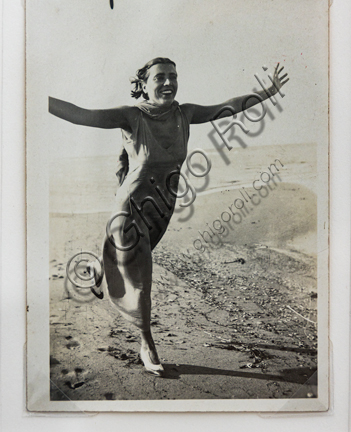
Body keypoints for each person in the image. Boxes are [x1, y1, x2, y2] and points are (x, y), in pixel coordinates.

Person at [49, 57, 288, 376]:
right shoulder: (131, 115)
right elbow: (81, 115)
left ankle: (105, 273)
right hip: (131, 209)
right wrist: (35, 94)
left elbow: (228, 107)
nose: (168, 82)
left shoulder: (184, 113)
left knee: (135, 270)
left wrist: (268, 92)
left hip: (161, 208)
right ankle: (147, 345)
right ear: (144, 86)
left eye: (173, 76)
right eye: (160, 77)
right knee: (143, 281)